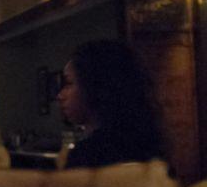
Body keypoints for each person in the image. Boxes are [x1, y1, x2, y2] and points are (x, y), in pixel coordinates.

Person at [57, 39, 167, 169]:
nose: (60, 95)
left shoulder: (87, 156)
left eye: (69, 83)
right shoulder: (150, 145)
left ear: (95, 87)